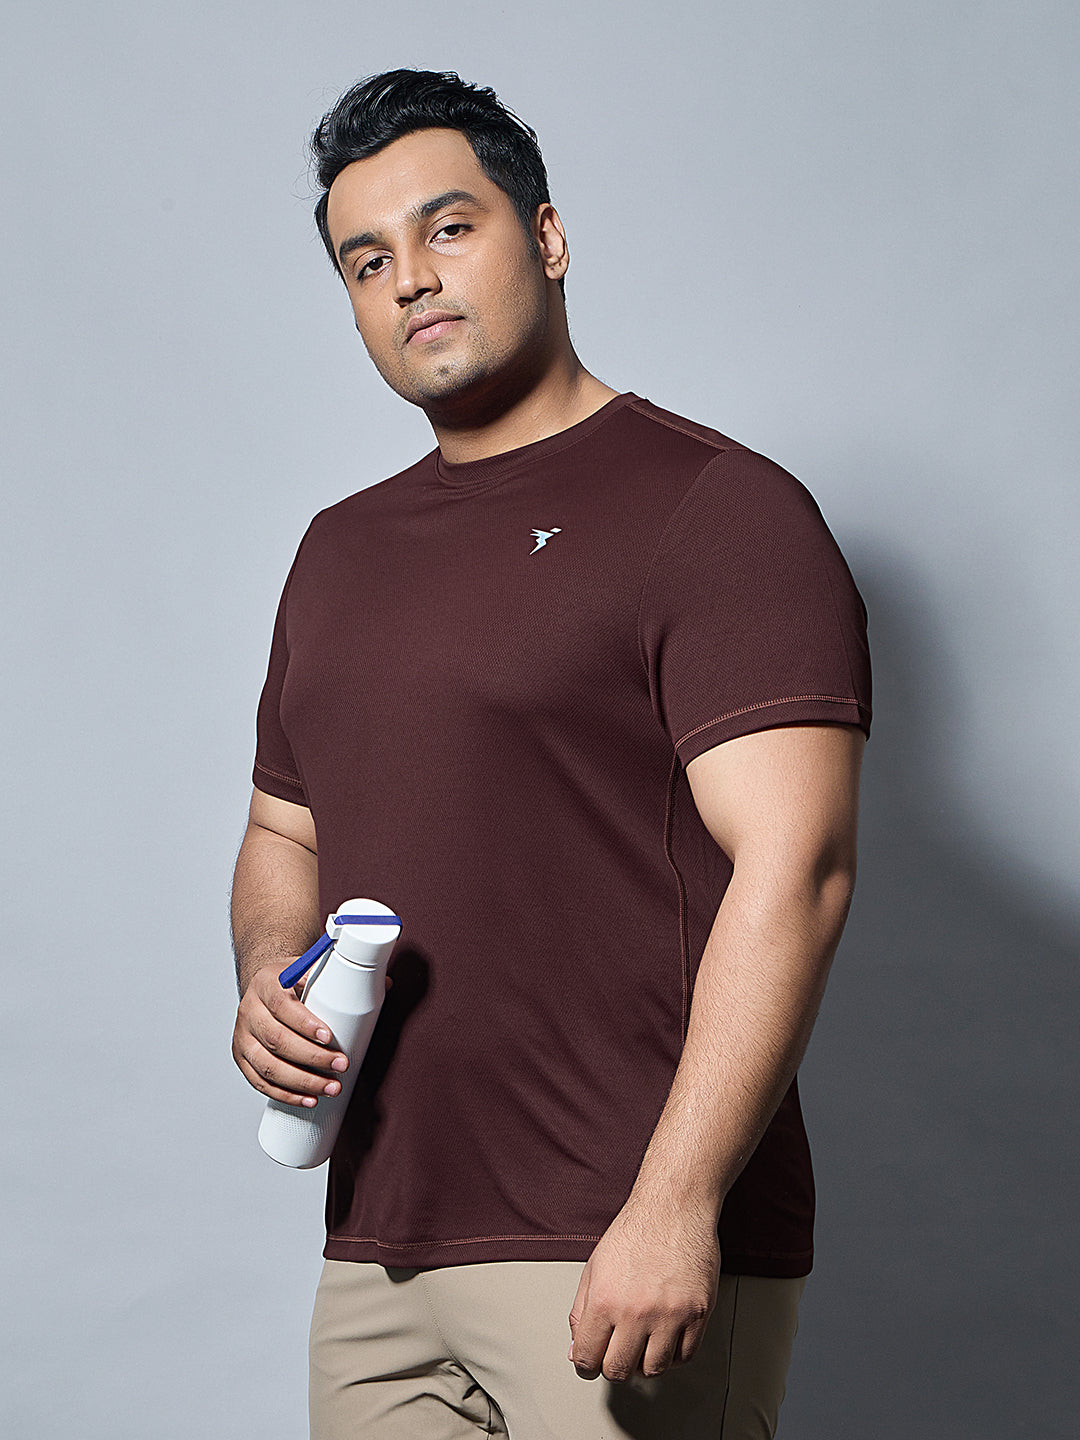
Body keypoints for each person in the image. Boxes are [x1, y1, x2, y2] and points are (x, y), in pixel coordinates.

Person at [230, 68, 871, 1440]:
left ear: (548, 237)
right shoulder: (337, 551)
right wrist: (265, 979)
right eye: (367, 260)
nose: (410, 277)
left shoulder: (717, 509)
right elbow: (285, 827)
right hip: (383, 1247)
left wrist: (675, 1204)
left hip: (616, 1239)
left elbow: (799, 868)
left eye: (449, 228)